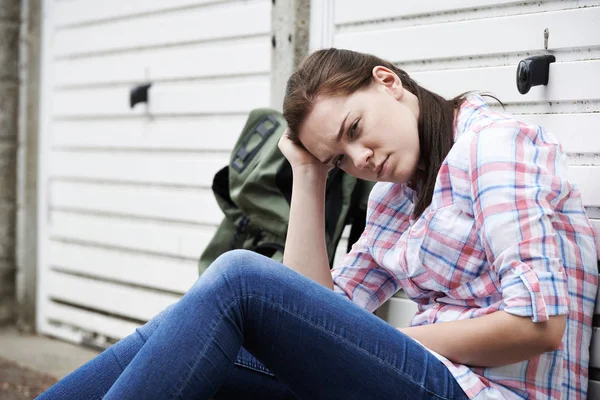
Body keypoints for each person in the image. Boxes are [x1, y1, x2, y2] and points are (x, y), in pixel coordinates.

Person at [38, 48, 598, 400]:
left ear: (388, 81)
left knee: (237, 277)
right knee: (184, 324)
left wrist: (394, 341)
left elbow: (538, 327)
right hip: (424, 377)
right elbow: (322, 313)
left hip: (482, 392)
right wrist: (309, 175)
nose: (361, 159)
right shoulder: (397, 199)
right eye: (341, 158)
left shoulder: (493, 147)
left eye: (355, 128)